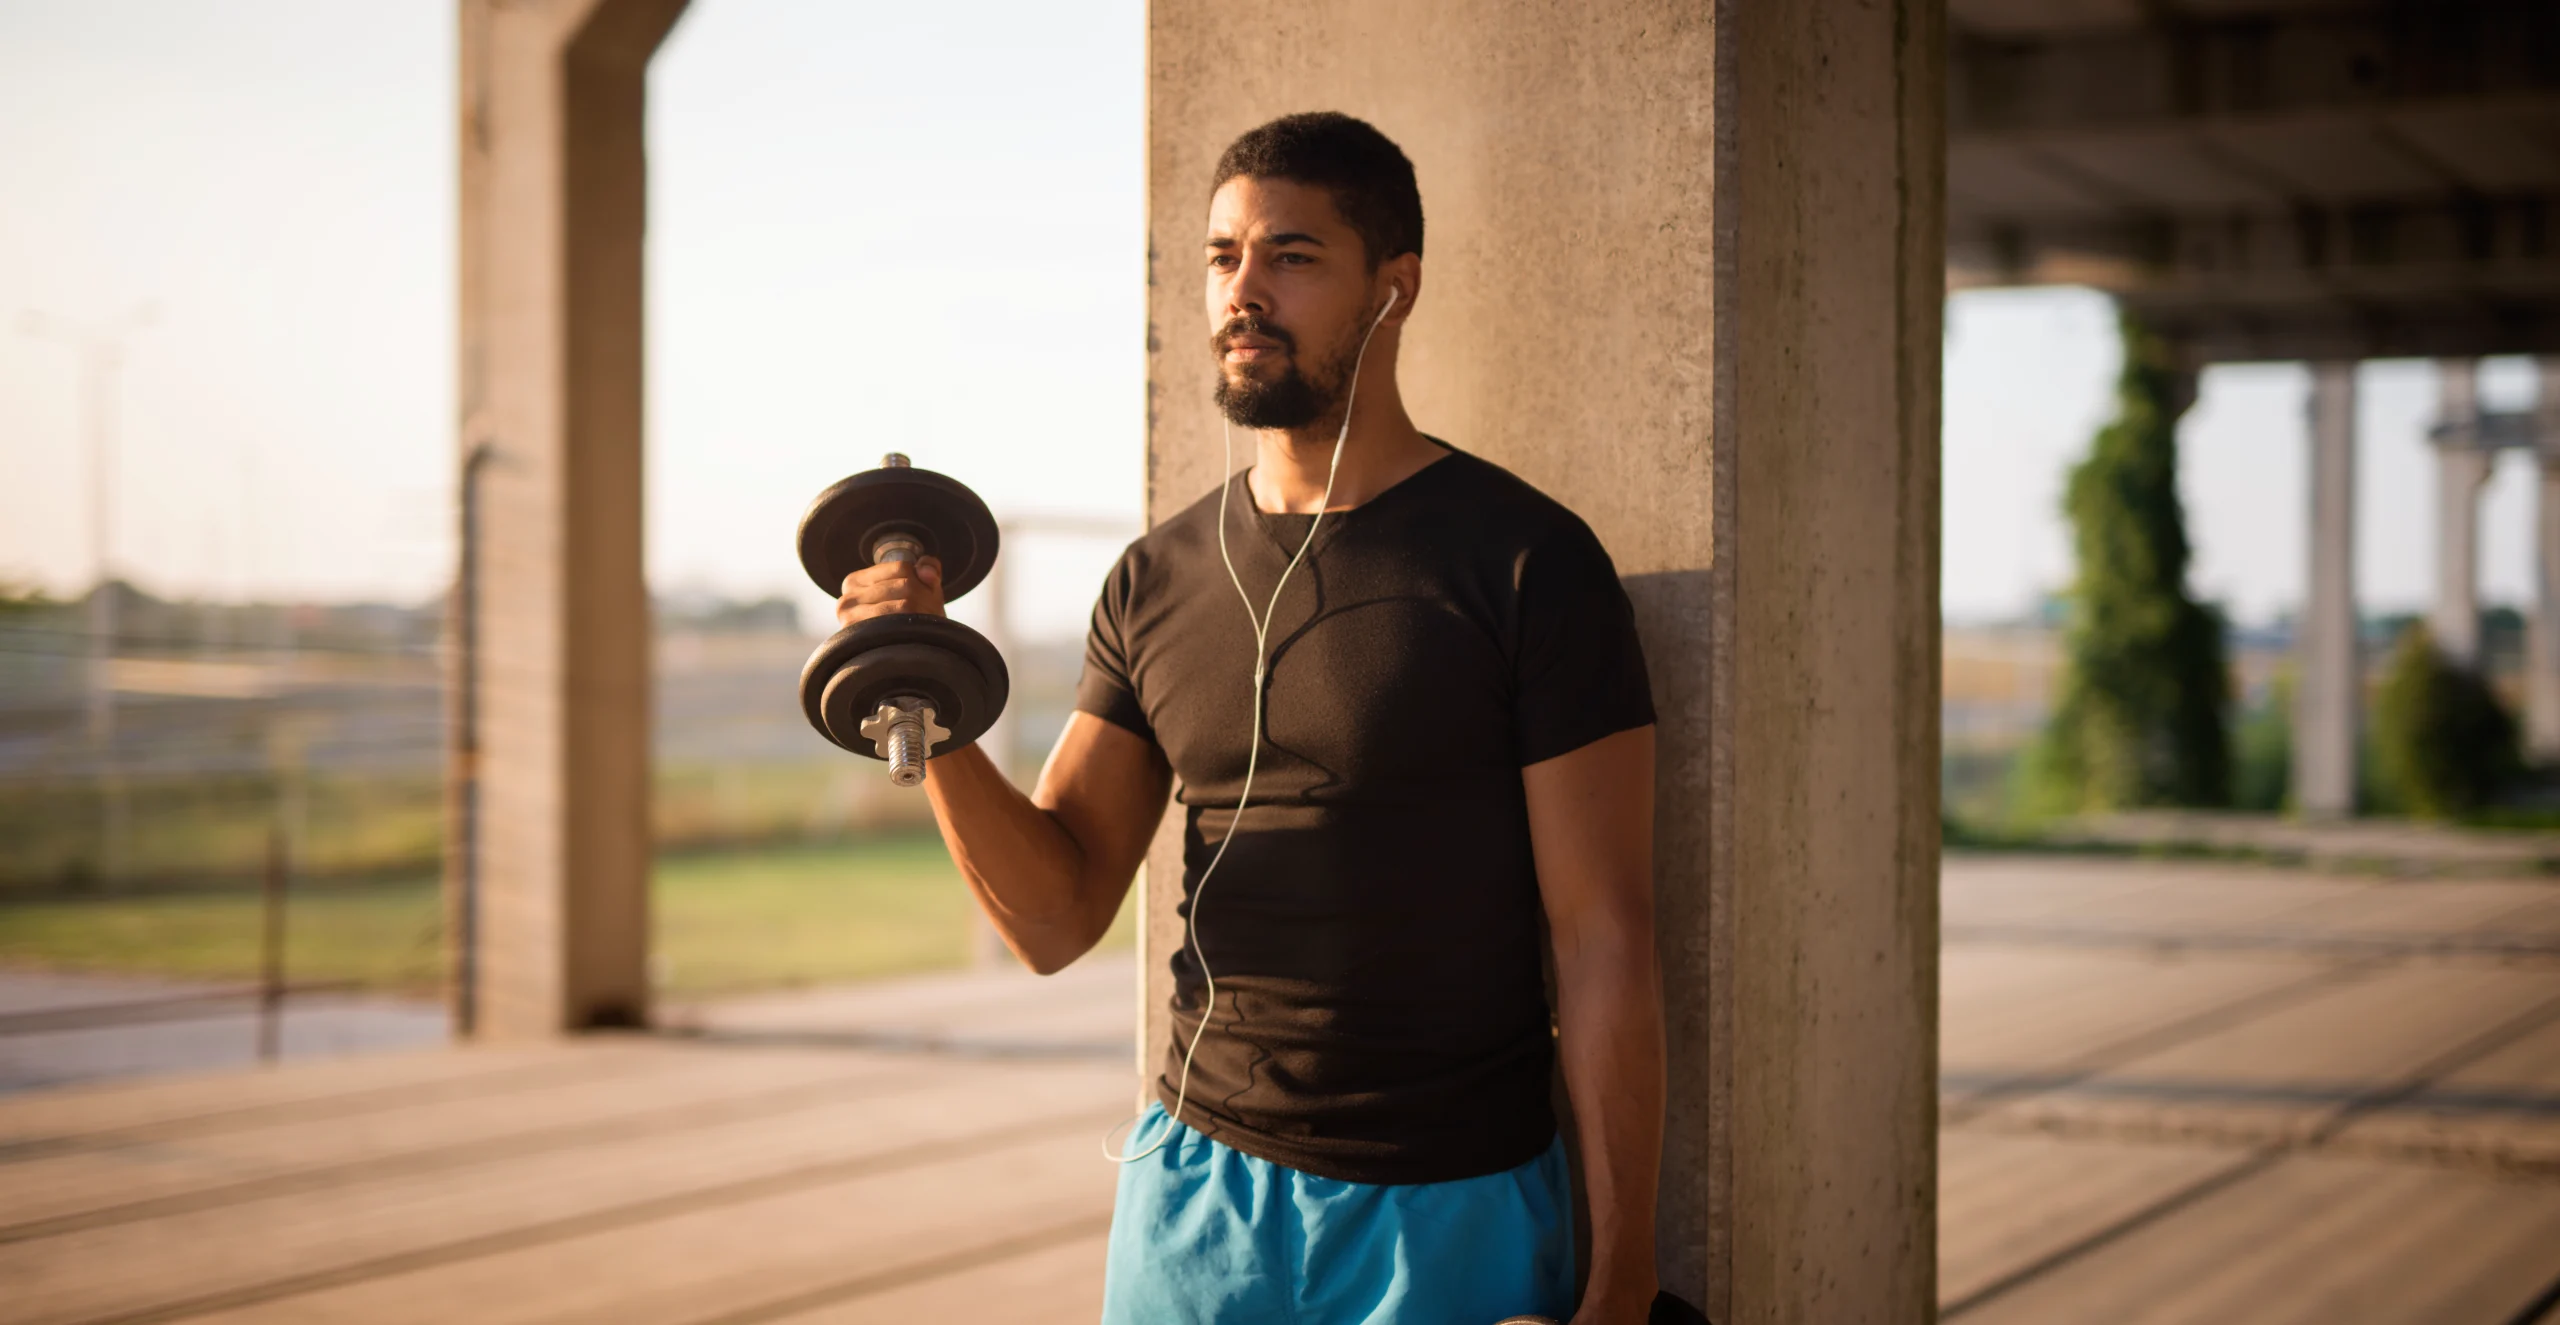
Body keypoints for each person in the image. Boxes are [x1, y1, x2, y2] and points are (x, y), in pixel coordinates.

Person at [833, 111, 1665, 1325]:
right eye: (1223, 257)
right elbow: (1057, 913)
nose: (1243, 291)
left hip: (1441, 1208)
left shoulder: (1525, 559)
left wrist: (1623, 1279)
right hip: (1195, 1198)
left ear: (1396, 289)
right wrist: (927, 692)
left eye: (1291, 256)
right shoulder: (1156, 576)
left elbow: (1605, 938)